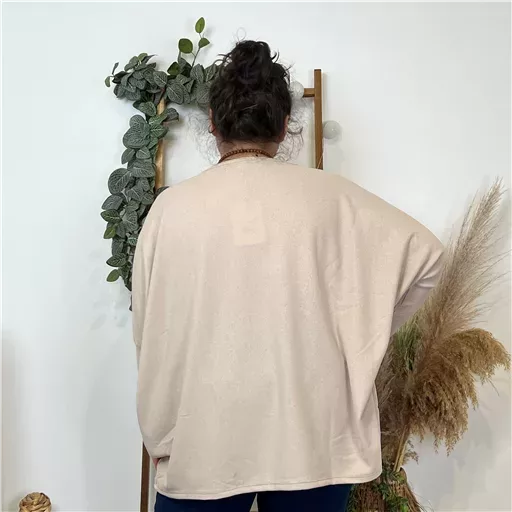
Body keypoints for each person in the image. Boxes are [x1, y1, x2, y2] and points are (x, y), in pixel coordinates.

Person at [132, 40, 444, 512]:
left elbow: (150, 332)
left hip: (203, 440)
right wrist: (359, 341)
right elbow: (426, 258)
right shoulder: (335, 198)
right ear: (284, 126)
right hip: (314, 440)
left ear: (213, 122)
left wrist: (160, 433)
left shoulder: (170, 210)